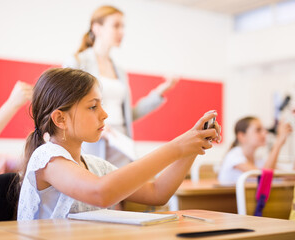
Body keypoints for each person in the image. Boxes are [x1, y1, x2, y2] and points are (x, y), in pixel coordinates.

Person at [17, 68, 220, 220]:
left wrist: (192, 146)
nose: (104, 114)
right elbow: (101, 193)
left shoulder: (96, 166)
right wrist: (176, 147)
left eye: (101, 105)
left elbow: (158, 192)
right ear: (60, 119)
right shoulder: (47, 160)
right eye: (93, 107)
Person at [64, 5, 178, 167]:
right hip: (93, 142)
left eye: (123, 27)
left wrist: (161, 91)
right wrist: (95, 125)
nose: (122, 32)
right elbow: (68, 108)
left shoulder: (120, 71)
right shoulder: (78, 62)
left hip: (120, 141)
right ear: (97, 28)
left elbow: (128, 115)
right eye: (116, 26)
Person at [218, 116, 292, 184]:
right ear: (242, 136)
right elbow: (264, 177)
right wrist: (278, 143)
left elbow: (288, 175)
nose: (265, 133)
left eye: (263, 129)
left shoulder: (259, 158)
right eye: (258, 130)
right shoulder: (233, 156)